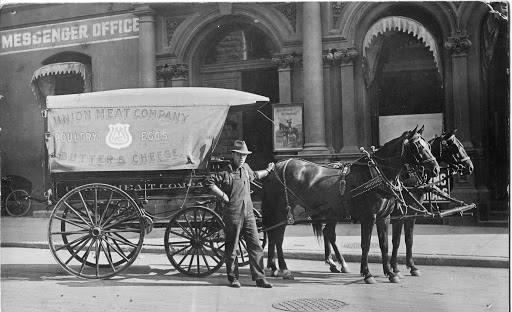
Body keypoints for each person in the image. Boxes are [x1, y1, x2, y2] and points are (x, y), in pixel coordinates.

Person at [205, 140, 275, 288]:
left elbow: (255, 176)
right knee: (232, 246)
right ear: (233, 155)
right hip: (233, 213)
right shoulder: (226, 171)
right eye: (239, 155)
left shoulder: (246, 168)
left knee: (256, 245)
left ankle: (260, 278)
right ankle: (233, 278)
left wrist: (268, 171)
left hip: (248, 213)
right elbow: (208, 182)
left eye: (244, 155)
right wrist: (223, 196)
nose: (242, 158)